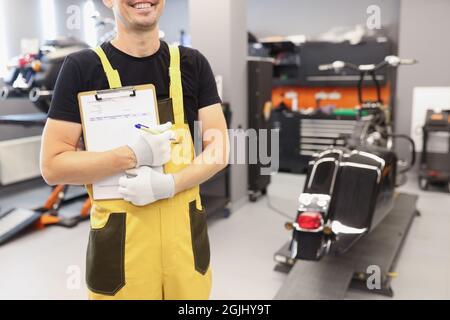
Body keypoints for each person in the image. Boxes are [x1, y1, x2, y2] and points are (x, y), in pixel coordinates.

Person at [40, 0, 229, 300]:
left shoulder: (193, 63)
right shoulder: (82, 68)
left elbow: (219, 149)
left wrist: (169, 185)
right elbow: (52, 166)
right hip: (121, 254)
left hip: (185, 248)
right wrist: (132, 155)